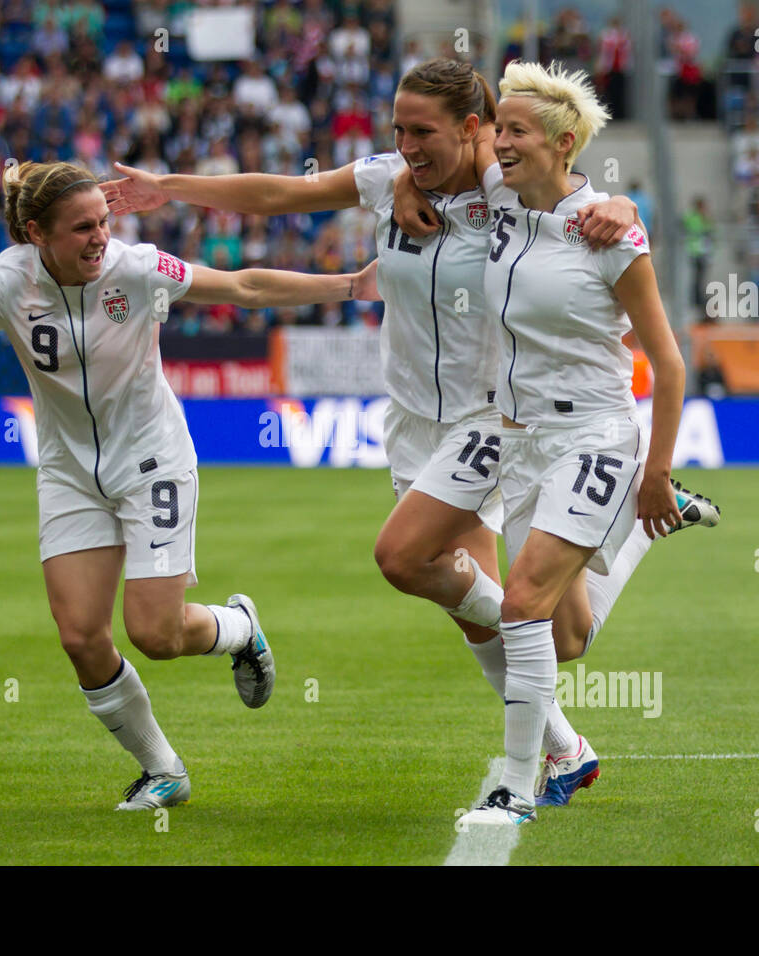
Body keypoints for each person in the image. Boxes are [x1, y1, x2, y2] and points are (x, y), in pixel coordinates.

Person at [101, 61, 643, 774]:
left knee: (409, 560)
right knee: (507, 623)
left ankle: (554, 712)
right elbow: (278, 194)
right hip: (412, 419)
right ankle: (567, 745)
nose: (407, 144)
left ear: (472, 129)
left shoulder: (502, 187)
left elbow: (579, 197)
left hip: (489, 416)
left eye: (424, 131)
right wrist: (167, 187)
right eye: (399, 129)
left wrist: (626, 207)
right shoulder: (391, 177)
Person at [0, 160, 379, 811]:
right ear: (36, 233)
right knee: (81, 636)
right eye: (82, 227)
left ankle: (238, 627)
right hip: (69, 474)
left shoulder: (136, 269)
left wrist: (348, 285)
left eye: (104, 223)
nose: (99, 238)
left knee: (155, 635)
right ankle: (162, 769)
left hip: (152, 463)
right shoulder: (6, 281)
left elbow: (244, 286)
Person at [456, 62, 717, 826]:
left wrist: (657, 469)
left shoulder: (610, 231)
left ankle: (516, 784)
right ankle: (639, 529)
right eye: (498, 127)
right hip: (522, 442)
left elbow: (668, 364)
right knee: (563, 638)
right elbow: (441, 132)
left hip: (595, 432)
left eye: (515, 131)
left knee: (522, 605)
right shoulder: (499, 193)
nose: (497, 142)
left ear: (564, 143)